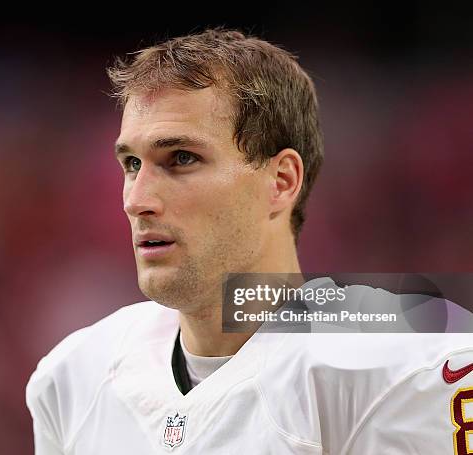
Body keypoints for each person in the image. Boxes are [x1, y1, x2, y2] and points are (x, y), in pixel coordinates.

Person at [26, 28, 473, 454]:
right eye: (131, 164)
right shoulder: (73, 378)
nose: (136, 200)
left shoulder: (405, 370)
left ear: (280, 181)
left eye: (181, 158)